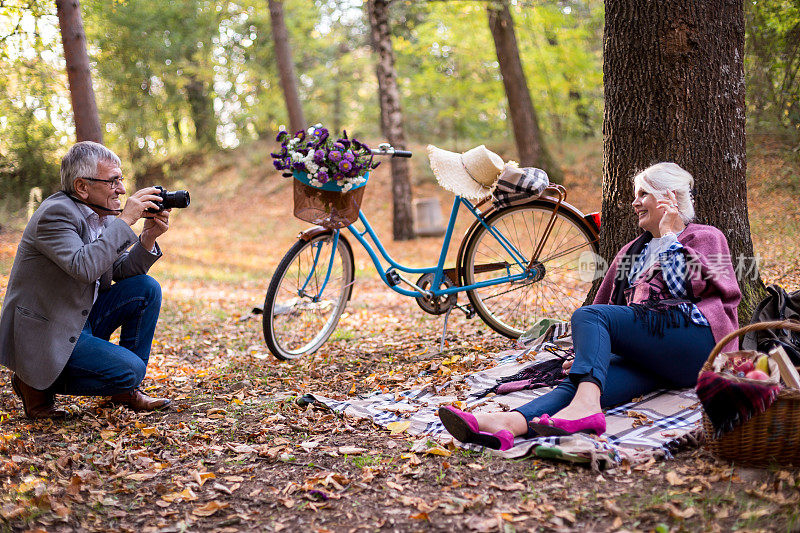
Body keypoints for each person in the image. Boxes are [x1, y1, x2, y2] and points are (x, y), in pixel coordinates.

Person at [438, 162, 742, 449]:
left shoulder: (704, 237)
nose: (635, 203)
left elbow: (685, 288)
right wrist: (584, 355)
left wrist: (667, 235)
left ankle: (584, 409)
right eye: (635, 196)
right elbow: (613, 306)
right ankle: (509, 424)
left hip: (699, 346)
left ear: (669, 198)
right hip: (659, 359)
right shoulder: (631, 253)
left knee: (588, 317)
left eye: (643, 194)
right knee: (588, 381)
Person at [0, 141, 173, 419]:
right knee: (131, 369)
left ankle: (125, 391)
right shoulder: (54, 215)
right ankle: (34, 383)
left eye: (121, 179)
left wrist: (148, 237)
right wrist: (125, 220)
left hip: (80, 319)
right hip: (49, 330)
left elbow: (117, 269)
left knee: (146, 288)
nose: (122, 190)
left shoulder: (100, 215)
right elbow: (84, 267)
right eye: (113, 181)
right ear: (82, 187)